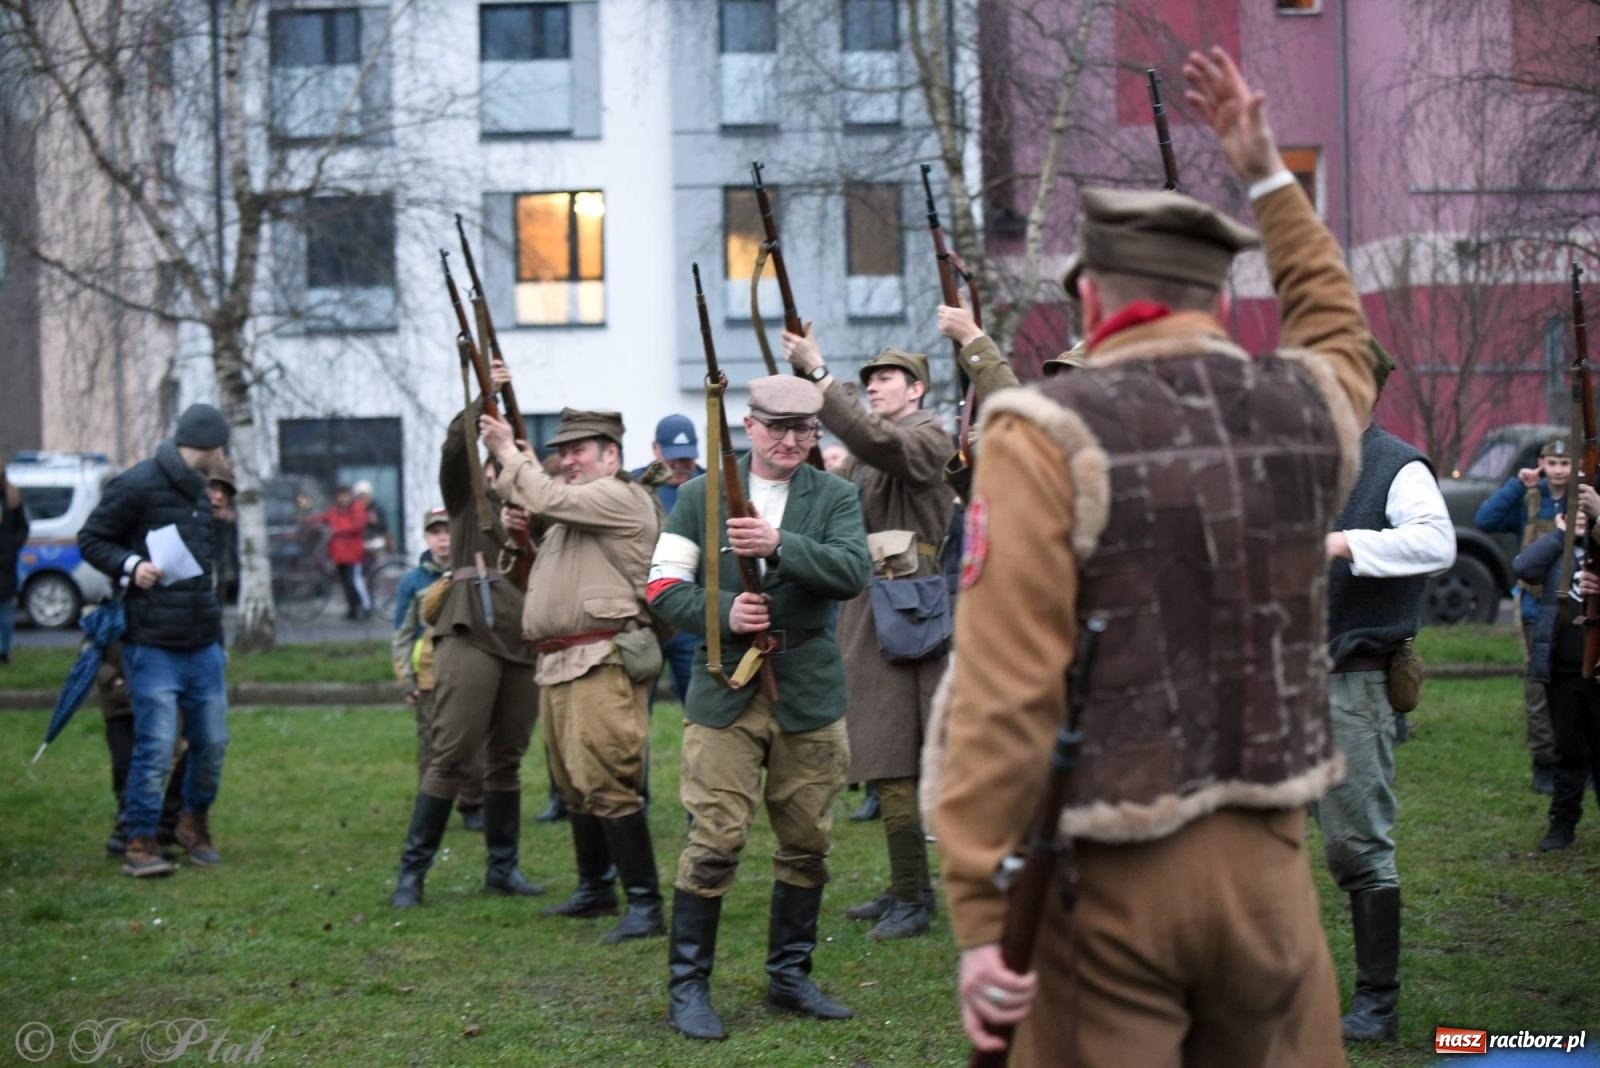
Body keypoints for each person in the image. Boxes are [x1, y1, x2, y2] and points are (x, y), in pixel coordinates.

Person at [928, 47, 1376, 1065]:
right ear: (1214, 299)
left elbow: (1004, 695)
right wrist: (1268, 177)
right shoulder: (1303, 407)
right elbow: (1337, 328)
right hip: (1270, 874)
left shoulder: (1042, 433)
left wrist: (981, 913)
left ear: (1090, 303)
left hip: (1107, 882)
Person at [647, 375, 871, 1041]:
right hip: (725, 690)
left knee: (807, 840)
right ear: (749, 426)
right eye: (777, 427)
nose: (791, 441)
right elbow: (662, 587)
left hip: (808, 688)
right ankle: (688, 988)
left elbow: (851, 573)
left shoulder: (835, 495)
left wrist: (780, 547)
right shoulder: (700, 495)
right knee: (715, 838)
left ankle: (789, 976)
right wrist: (724, 612)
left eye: (804, 430)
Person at [780, 334, 955, 940]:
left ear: (917, 390)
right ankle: (906, 886)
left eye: (887, 378)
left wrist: (821, 376)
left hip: (910, 612)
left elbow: (877, 442)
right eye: (870, 379)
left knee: (898, 758)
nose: (874, 385)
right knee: (884, 758)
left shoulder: (928, 435)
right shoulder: (870, 451)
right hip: (874, 607)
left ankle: (914, 896)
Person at [482, 405, 665, 945]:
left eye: (578, 450)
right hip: (562, 662)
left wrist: (507, 452)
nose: (567, 461)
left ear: (611, 456)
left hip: (602, 658)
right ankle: (595, 888)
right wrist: (524, 540)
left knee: (608, 780)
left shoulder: (617, 495)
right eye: (562, 452)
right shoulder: (574, 514)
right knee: (573, 786)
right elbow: (542, 574)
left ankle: (646, 903)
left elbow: (545, 496)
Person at [1316, 343, 1455, 1043]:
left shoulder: (1396, 465)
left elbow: (1436, 543)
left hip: (1352, 680)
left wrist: (1342, 543)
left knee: (1356, 845)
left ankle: (1378, 1003)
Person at [390, 363, 542, 909]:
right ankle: (412, 875)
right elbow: (455, 448)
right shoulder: (466, 499)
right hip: (469, 629)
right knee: (451, 752)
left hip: (523, 639)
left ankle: (503, 869)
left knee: (507, 756)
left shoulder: (541, 506)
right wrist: (483, 397)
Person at [79, 402, 235, 878]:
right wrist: (132, 566)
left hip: (202, 642)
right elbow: (92, 539)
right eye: (222, 448)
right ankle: (141, 841)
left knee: (212, 743)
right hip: (151, 643)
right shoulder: (137, 483)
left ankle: (192, 824)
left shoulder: (203, 494)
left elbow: (208, 573)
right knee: (155, 746)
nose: (225, 457)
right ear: (210, 445)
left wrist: (218, 640)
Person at [1477, 435, 1572, 794]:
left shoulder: (1583, 501)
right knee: (1538, 687)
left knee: (1576, 686)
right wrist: (1518, 485)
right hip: (1535, 607)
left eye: (1565, 463)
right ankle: (1544, 762)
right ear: (1542, 465)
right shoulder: (1530, 499)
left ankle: (1577, 759)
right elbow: (1485, 519)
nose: (1558, 471)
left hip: (1575, 607)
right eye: (1553, 463)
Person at [391, 506, 483, 831]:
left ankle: (473, 803)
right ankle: (431, 808)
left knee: (470, 742)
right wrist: (406, 679)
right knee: (431, 746)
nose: (442, 539)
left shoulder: (472, 573)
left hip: (467, 672)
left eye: (448, 531)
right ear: (426, 536)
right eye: (435, 532)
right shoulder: (413, 582)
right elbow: (402, 634)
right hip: (429, 675)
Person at [1519, 506, 1600, 852]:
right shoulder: (1561, 549)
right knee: (1568, 750)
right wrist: (1560, 535)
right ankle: (1562, 824)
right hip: (1563, 668)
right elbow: (1524, 568)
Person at [634, 413, 705, 705]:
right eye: (672, 458)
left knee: (700, 702)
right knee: (636, 706)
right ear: (655, 450)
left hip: (692, 613)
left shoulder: (712, 485)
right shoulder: (635, 487)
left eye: (686, 458)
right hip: (646, 614)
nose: (679, 465)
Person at [312, 487, 371, 622]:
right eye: (340, 496)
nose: (343, 499)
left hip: (353, 552)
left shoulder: (357, 508)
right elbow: (325, 518)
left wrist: (337, 530)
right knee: (345, 583)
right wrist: (311, 520)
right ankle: (352, 609)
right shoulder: (334, 510)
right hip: (339, 554)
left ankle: (366, 606)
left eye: (345, 495)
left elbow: (358, 525)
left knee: (354, 580)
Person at [0, 462, 29, 666]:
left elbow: (23, 528)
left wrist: (13, 546)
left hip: (6, 563)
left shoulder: (12, 497)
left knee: (6, 610)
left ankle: (4, 651)